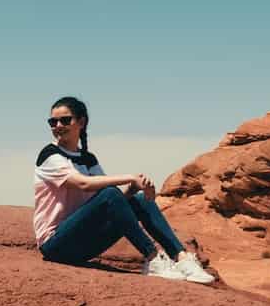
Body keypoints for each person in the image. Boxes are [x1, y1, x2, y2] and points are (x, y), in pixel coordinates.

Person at [32, 95, 215, 283]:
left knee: (140, 199)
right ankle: (152, 258)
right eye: (53, 122)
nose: (58, 126)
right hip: (56, 245)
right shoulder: (49, 155)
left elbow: (105, 202)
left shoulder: (88, 158)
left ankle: (182, 259)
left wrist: (132, 189)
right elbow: (83, 184)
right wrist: (129, 177)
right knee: (111, 192)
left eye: (65, 120)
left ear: (81, 122)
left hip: (82, 242)